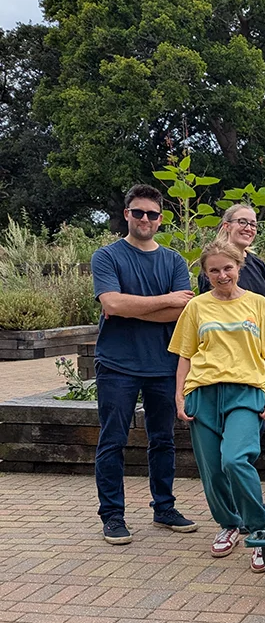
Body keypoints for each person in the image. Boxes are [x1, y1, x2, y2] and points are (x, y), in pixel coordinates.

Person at [169, 240, 265, 573]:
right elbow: (185, 355)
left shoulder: (259, 304)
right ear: (206, 274)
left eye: (227, 268)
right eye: (214, 270)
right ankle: (229, 523)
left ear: (239, 267)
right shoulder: (196, 308)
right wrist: (179, 395)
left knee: (235, 459)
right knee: (212, 470)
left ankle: (260, 529)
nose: (222, 275)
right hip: (202, 393)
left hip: (246, 392)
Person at [91, 184, 197, 545]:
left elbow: (183, 309)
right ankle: (112, 516)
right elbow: (112, 305)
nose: (145, 219)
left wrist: (132, 307)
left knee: (162, 440)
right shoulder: (107, 257)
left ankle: (164, 508)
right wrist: (163, 301)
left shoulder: (173, 260)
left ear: (161, 218)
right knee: (113, 440)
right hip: (117, 365)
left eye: (152, 214)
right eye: (138, 212)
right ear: (127, 215)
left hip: (163, 365)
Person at [198, 204, 265, 313]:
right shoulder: (213, 263)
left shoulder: (258, 264)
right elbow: (206, 308)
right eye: (242, 222)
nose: (248, 228)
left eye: (253, 224)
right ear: (227, 226)